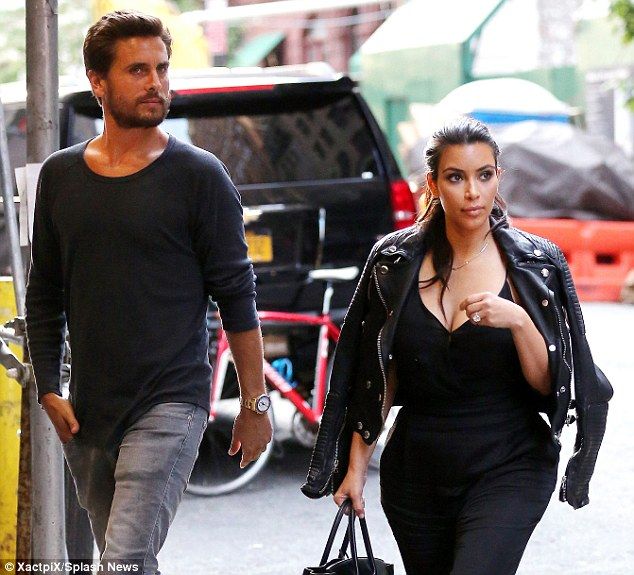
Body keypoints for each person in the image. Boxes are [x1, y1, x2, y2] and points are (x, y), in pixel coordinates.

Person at [302, 116, 613, 574]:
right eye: (456, 177)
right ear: (432, 184)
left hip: (509, 464)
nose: (472, 192)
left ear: (498, 178)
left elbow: (549, 384)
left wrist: (519, 321)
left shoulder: (533, 263)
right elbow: (380, 373)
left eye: (484, 176)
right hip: (416, 474)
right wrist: (355, 468)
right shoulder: (393, 260)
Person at [25, 10, 272, 574]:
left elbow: (237, 298)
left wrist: (254, 404)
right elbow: (44, 294)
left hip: (172, 400)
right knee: (126, 562)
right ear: (98, 82)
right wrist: (49, 387)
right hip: (89, 411)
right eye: (137, 70)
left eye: (162, 68)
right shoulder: (60, 176)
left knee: (124, 558)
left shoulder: (199, 176)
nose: (156, 83)